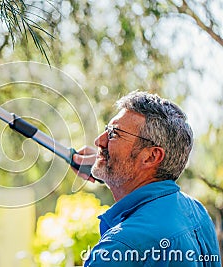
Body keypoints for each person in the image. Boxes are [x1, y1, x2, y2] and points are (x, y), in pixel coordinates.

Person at [72, 91, 221, 266]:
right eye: (106, 131)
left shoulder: (119, 247)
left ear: (151, 157)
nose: (99, 141)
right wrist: (106, 165)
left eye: (114, 134)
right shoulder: (196, 213)